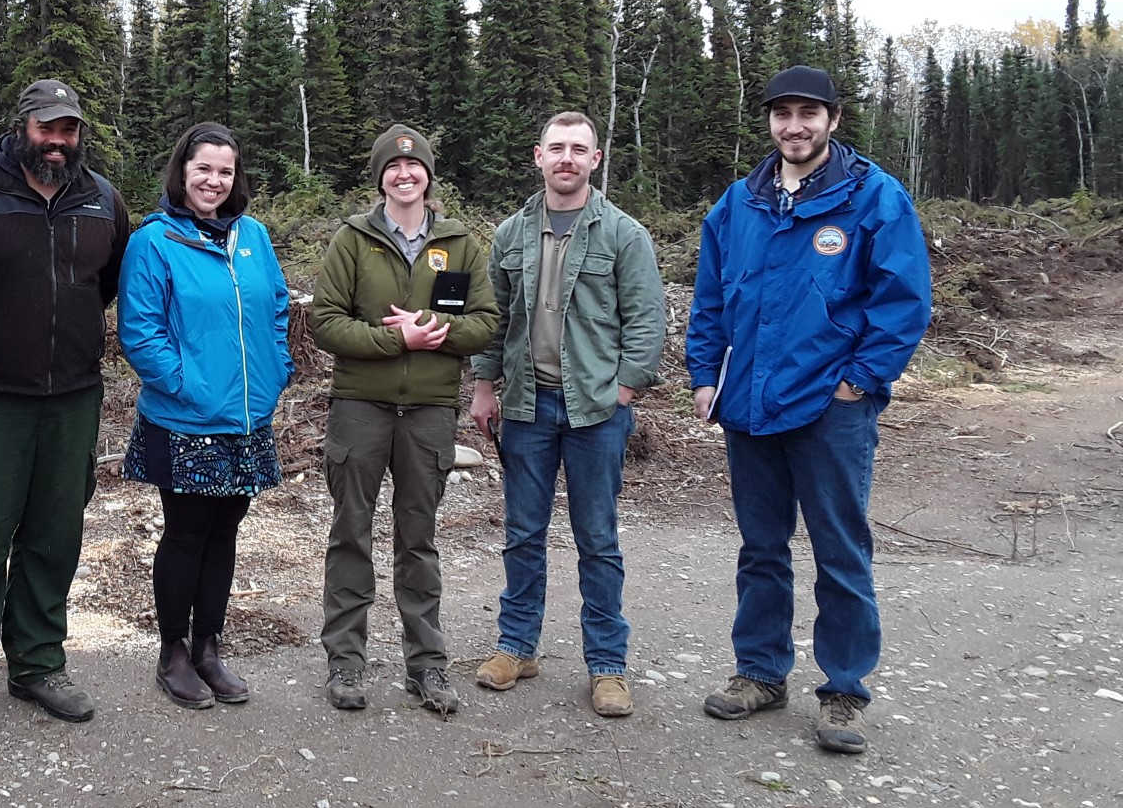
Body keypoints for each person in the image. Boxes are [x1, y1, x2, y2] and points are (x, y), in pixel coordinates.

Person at [687, 66, 932, 755]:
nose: (794, 127)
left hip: (831, 407)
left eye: (807, 114)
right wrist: (705, 375)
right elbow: (710, 300)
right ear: (769, 121)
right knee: (761, 548)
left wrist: (862, 381)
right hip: (749, 405)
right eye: (782, 114)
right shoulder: (739, 204)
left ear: (832, 118)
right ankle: (761, 673)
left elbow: (903, 301)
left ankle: (845, 691)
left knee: (839, 549)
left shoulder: (874, 199)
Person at [0, 79, 132, 743]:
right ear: (23, 128)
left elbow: (109, 284)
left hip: (73, 397)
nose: (58, 141)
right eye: (47, 128)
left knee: (55, 535)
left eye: (68, 130)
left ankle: (39, 664)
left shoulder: (102, 200)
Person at [468, 112, 665, 718]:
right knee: (523, 534)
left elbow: (648, 320)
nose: (567, 159)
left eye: (579, 150)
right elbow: (493, 318)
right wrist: (483, 385)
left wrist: (624, 392)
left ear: (595, 159)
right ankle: (516, 646)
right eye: (557, 148)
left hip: (596, 411)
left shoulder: (623, 234)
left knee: (598, 540)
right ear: (538, 156)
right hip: (525, 407)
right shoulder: (510, 234)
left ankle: (607, 664)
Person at [310, 126, 499, 716]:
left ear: (428, 177)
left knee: (418, 541)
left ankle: (428, 666)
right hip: (360, 407)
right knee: (351, 535)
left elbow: (487, 320)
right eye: (392, 167)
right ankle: (346, 660)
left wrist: (432, 333)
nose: (404, 174)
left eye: (413, 168)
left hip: (430, 413)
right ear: (381, 177)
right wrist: (395, 341)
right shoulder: (353, 239)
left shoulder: (460, 243)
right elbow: (325, 322)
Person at [117, 123, 294, 709]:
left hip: (247, 417)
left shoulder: (253, 236)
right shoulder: (154, 242)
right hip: (186, 418)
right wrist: (187, 385)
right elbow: (140, 332)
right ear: (182, 172)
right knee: (187, 533)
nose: (214, 181)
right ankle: (173, 653)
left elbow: (275, 307)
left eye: (225, 171)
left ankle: (209, 648)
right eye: (203, 170)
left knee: (225, 532)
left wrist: (275, 370)